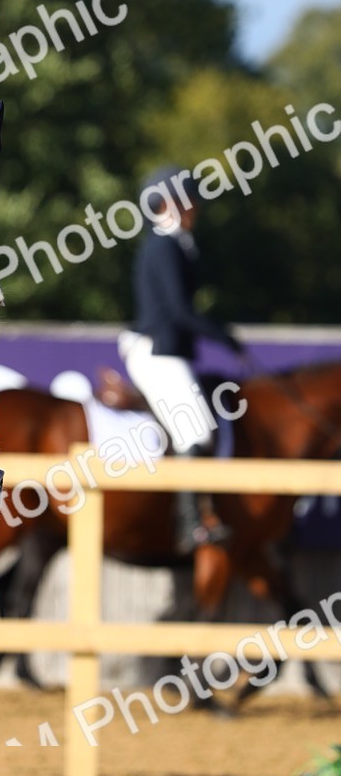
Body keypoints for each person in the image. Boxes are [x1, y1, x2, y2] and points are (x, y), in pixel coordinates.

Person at [118, 166, 246, 554]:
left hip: (166, 349)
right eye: (191, 202)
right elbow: (177, 310)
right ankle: (191, 526)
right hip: (157, 350)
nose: (197, 210)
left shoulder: (174, 245)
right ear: (171, 205)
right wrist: (222, 335)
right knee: (197, 430)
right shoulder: (164, 246)